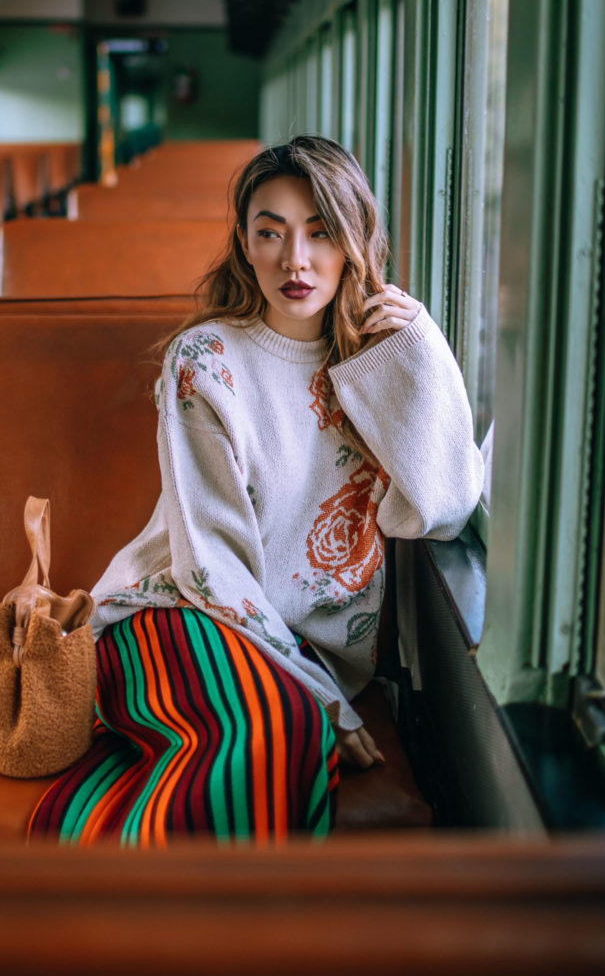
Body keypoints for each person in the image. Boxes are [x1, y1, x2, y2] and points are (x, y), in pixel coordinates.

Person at [29, 135, 484, 845]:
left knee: (278, 734)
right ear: (245, 244)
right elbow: (207, 563)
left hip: (304, 650)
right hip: (177, 614)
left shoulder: (375, 362)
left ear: (355, 238)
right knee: (280, 733)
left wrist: (423, 351)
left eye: (320, 232)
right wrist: (322, 698)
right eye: (269, 233)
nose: (293, 260)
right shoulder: (206, 360)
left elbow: (446, 506)